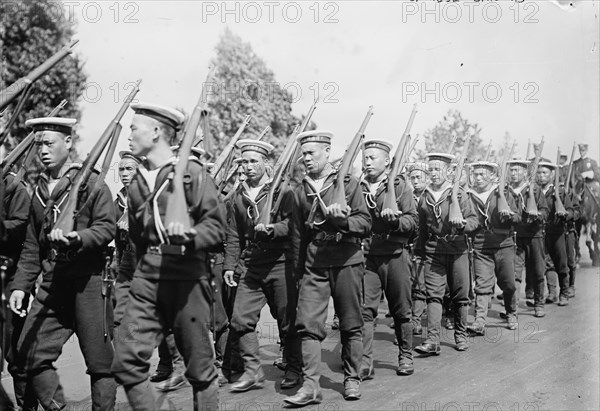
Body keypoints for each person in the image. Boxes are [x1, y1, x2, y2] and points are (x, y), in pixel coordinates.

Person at [110, 103, 226, 410]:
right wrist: (127, 288)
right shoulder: (136, 182)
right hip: (148, 278)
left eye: (135, 128)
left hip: (188, 277)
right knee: (125, 363)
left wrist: (192, 235)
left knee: (200, 369)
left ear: (157, 132)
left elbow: (217, 227)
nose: (130, 134)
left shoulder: (191, 173)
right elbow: (135, 241)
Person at [9, 117, 117, 410]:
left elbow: (107, 227)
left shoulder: (92, 183)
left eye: (49, 143)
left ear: (68, 143)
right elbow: (32, 246)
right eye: (38, 144)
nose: (42, 150)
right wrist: (20, 286)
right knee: (28, 352)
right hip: (54, 281)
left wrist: (78, 237)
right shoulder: (38, 191)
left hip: (89, 282)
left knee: (100, 361)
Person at [285, 130, 371, 406]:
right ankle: (311, 386)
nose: (306, 158)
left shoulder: (349, 183)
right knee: (307, 324)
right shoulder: (301, 190)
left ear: (327, 150)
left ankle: (352, 378)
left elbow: (365, 223)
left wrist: (344, 222)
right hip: (315, 262)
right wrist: (298, 273)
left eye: (311, 153)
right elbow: (298, 234)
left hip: (347, 259)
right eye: (304, 153)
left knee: (350, 322)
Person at [223, 139, 301, 393]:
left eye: (253, 161)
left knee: (287, 321)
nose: (247, 167)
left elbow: (293, 226)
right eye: (244, 161)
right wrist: (229, 265)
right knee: (240, 320)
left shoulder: (284, 191)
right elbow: (234, 233)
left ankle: (293, 368)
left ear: (267, 163)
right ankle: (252, 371)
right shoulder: (238, 195)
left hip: (280, 262)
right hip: (251, 264)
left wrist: (273, 229)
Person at [359, 140, 418, 379]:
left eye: (373, 157)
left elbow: (413, 222)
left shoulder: (400, 185)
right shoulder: (356, 186)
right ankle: (364, 362)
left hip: (395, 254)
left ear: (386, 161)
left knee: (401, 309)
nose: (367, 161)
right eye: (365, 157)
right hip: (366, 256)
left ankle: (405, 355)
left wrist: (396, 222)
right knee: (364, 311)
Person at [414, 153, 478, 355]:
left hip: (457, 248)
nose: (433, 173)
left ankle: (460, 335)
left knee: (460, 296)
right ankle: (433, 340)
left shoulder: (458, 194)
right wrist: (420, 251)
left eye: (437, 169)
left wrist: (464, 225)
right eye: (430, 169)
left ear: (449, 171)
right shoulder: (424, 196)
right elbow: (422, 228)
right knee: (433, 296)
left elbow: (474, 221)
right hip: (433, 251)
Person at [466, 161, 521, 335]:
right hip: (481, 246)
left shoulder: (503, 193)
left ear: (491, 176)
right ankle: (479, 321)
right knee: (482, 284)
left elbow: (519, 217)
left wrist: (510, 216)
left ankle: (511, 313)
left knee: (508, 283)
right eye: (476, 174)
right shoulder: (469, 195)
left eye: (483, 174)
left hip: (503, 244)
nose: (479, 178)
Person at [507, 158, 549, 318]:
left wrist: (538, 215)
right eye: (511, 170)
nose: (513, 173)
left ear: (525, 172)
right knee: (514, 273)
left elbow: (545, 210)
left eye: (517, 170)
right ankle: (513, 308)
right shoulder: (507, 190)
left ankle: (539, 304)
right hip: (515, 236)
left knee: (538, 271)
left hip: (534, 235)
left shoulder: (534, 189)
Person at [537, 159, 579, 306]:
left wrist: (565, 214)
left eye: (545, 173)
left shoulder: (559, 192)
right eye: (539, 173)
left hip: (557, 231)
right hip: (541, 232)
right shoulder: (535, 191)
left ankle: (564, 292)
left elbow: (572, 210)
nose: (541, 176)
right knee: (546, 263)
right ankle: (552, 292)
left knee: (561, 263)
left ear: (552, 174)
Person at [407, 162, 430, 335]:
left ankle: (416, 320)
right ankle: (410, 319)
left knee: (422, 285)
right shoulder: (407, 196)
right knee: (410, 284)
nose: (415, 181)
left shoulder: (430, 196)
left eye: (418, 177)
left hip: (429, 246)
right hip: (409, 246)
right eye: (412, 178)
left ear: (428, 179)